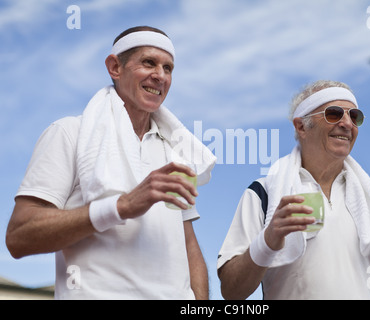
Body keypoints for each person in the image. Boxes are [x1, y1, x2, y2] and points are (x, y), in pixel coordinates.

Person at [5, 26, 216, 300]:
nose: (160, 76)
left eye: (168, 68)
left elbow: (187, 244)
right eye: (149, 62)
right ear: (115, 67)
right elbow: (19, 237)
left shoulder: (175, 152)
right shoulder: (69, 133)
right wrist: (121, 206)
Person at [217, 80, 370, 300]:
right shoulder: (264, 193)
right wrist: (268, 239)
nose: (347, 124)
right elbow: (231, 291)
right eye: (334, 114)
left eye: (354, 116)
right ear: (301, 126)